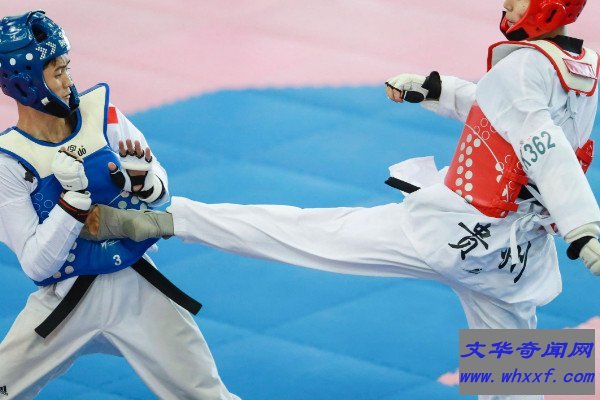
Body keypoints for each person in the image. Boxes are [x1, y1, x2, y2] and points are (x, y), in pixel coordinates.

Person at [85, 0, 599, 399]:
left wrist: (584, 227)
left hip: (451, 232)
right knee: (514, 371)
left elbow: (544, 147)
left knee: (302, 232)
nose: (506, 2)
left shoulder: (521, 70)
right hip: (511, 256)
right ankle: (169, 219)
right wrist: (438, 89)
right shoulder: (579, 68)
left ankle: (167, 218)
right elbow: (508, 118)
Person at [0, 10, 239, 400]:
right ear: (25, 82)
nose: (69, 80)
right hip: (63, 303)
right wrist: (73, 202)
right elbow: (36, 264)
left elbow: (160, 193)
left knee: (208, 396)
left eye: (67, 67)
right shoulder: (9, 162)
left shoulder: (104, 116)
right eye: (57, 72)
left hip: (137, 288)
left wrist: (144, 183)